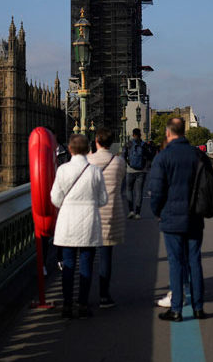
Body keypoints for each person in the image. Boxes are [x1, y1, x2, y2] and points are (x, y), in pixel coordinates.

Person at [149, 116, 207, 322]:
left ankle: (176, 310)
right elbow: (209, 186)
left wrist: (157, 212)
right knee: (194, 261)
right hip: (195, 216)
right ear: (184, 132)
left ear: (168, 133)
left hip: (172, 217)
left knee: (175, 263)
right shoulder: (197, 155)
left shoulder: (163, 157)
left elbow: (156, 191)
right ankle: (199, 307)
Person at [50, 133, 107, 319]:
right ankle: (82, 304)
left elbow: (55, 199)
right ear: (86, 149)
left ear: (70, 149)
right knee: (86, 264)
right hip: (89, 222)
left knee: (68, 265)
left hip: (68, 223)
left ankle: (67, 305)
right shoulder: (95, 171)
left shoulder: (63, 170)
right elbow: (103, 199)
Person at [88, 128, 126, 308]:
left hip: (91, 213)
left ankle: (83, 297)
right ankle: (104, 296)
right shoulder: (119, 162)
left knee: (87, 256)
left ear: (96, 141)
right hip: (111, 212)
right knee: (105, 257)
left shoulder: (89, 161)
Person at [123, 128, 148, 219]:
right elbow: (149, 156)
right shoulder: (144, 144)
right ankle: (138, 213)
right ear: (140, 134)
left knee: (129, 190)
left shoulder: (128, 144)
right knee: (139, 192)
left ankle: (131, 211)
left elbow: (123, 155)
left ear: (133, 135)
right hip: (141, 171)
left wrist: (128, 163)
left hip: (130, 170)